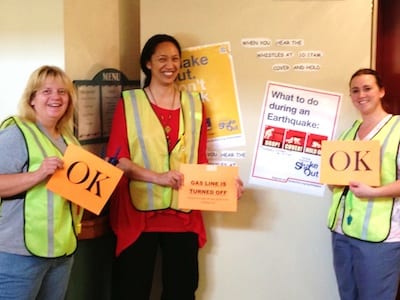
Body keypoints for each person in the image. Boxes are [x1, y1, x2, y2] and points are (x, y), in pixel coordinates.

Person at [107, 33, 244, 300]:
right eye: (162, 59)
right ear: (148, 63)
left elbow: (200, 160)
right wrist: (157, 177)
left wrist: (226, 185)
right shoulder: (130, 102)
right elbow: (117, 160)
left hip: (183, 216)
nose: (169, 65)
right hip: (139, 216)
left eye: (174, 59)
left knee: (181, 292)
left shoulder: (195, 104)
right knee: (131, 291)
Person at [0, 65, 83, 299]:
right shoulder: (17, 134)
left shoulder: (69, 140)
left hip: (61, 250)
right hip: (19, 255)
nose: (55, 97)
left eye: (62, 92)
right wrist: (37, 175)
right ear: (32, 99)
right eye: (46, 91)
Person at [328, 68, 400, 300]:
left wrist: (375, 192)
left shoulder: (398, 129)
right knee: (348, 295)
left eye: (367, 88)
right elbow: (336, 184)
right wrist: (332, 182)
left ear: (381, 91)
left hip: (380, 236)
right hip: (342, 232)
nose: (361, 95)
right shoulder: (347, 135)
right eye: (355, 90)